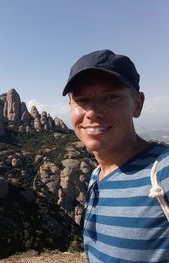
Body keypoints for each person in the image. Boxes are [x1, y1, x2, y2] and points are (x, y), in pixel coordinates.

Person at [62, 49, 169, 262]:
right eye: (82, 100)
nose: (92, 112)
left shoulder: (163, 174)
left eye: (111, 97)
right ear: (70, 107)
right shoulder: (95, 177)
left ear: (137, 104)